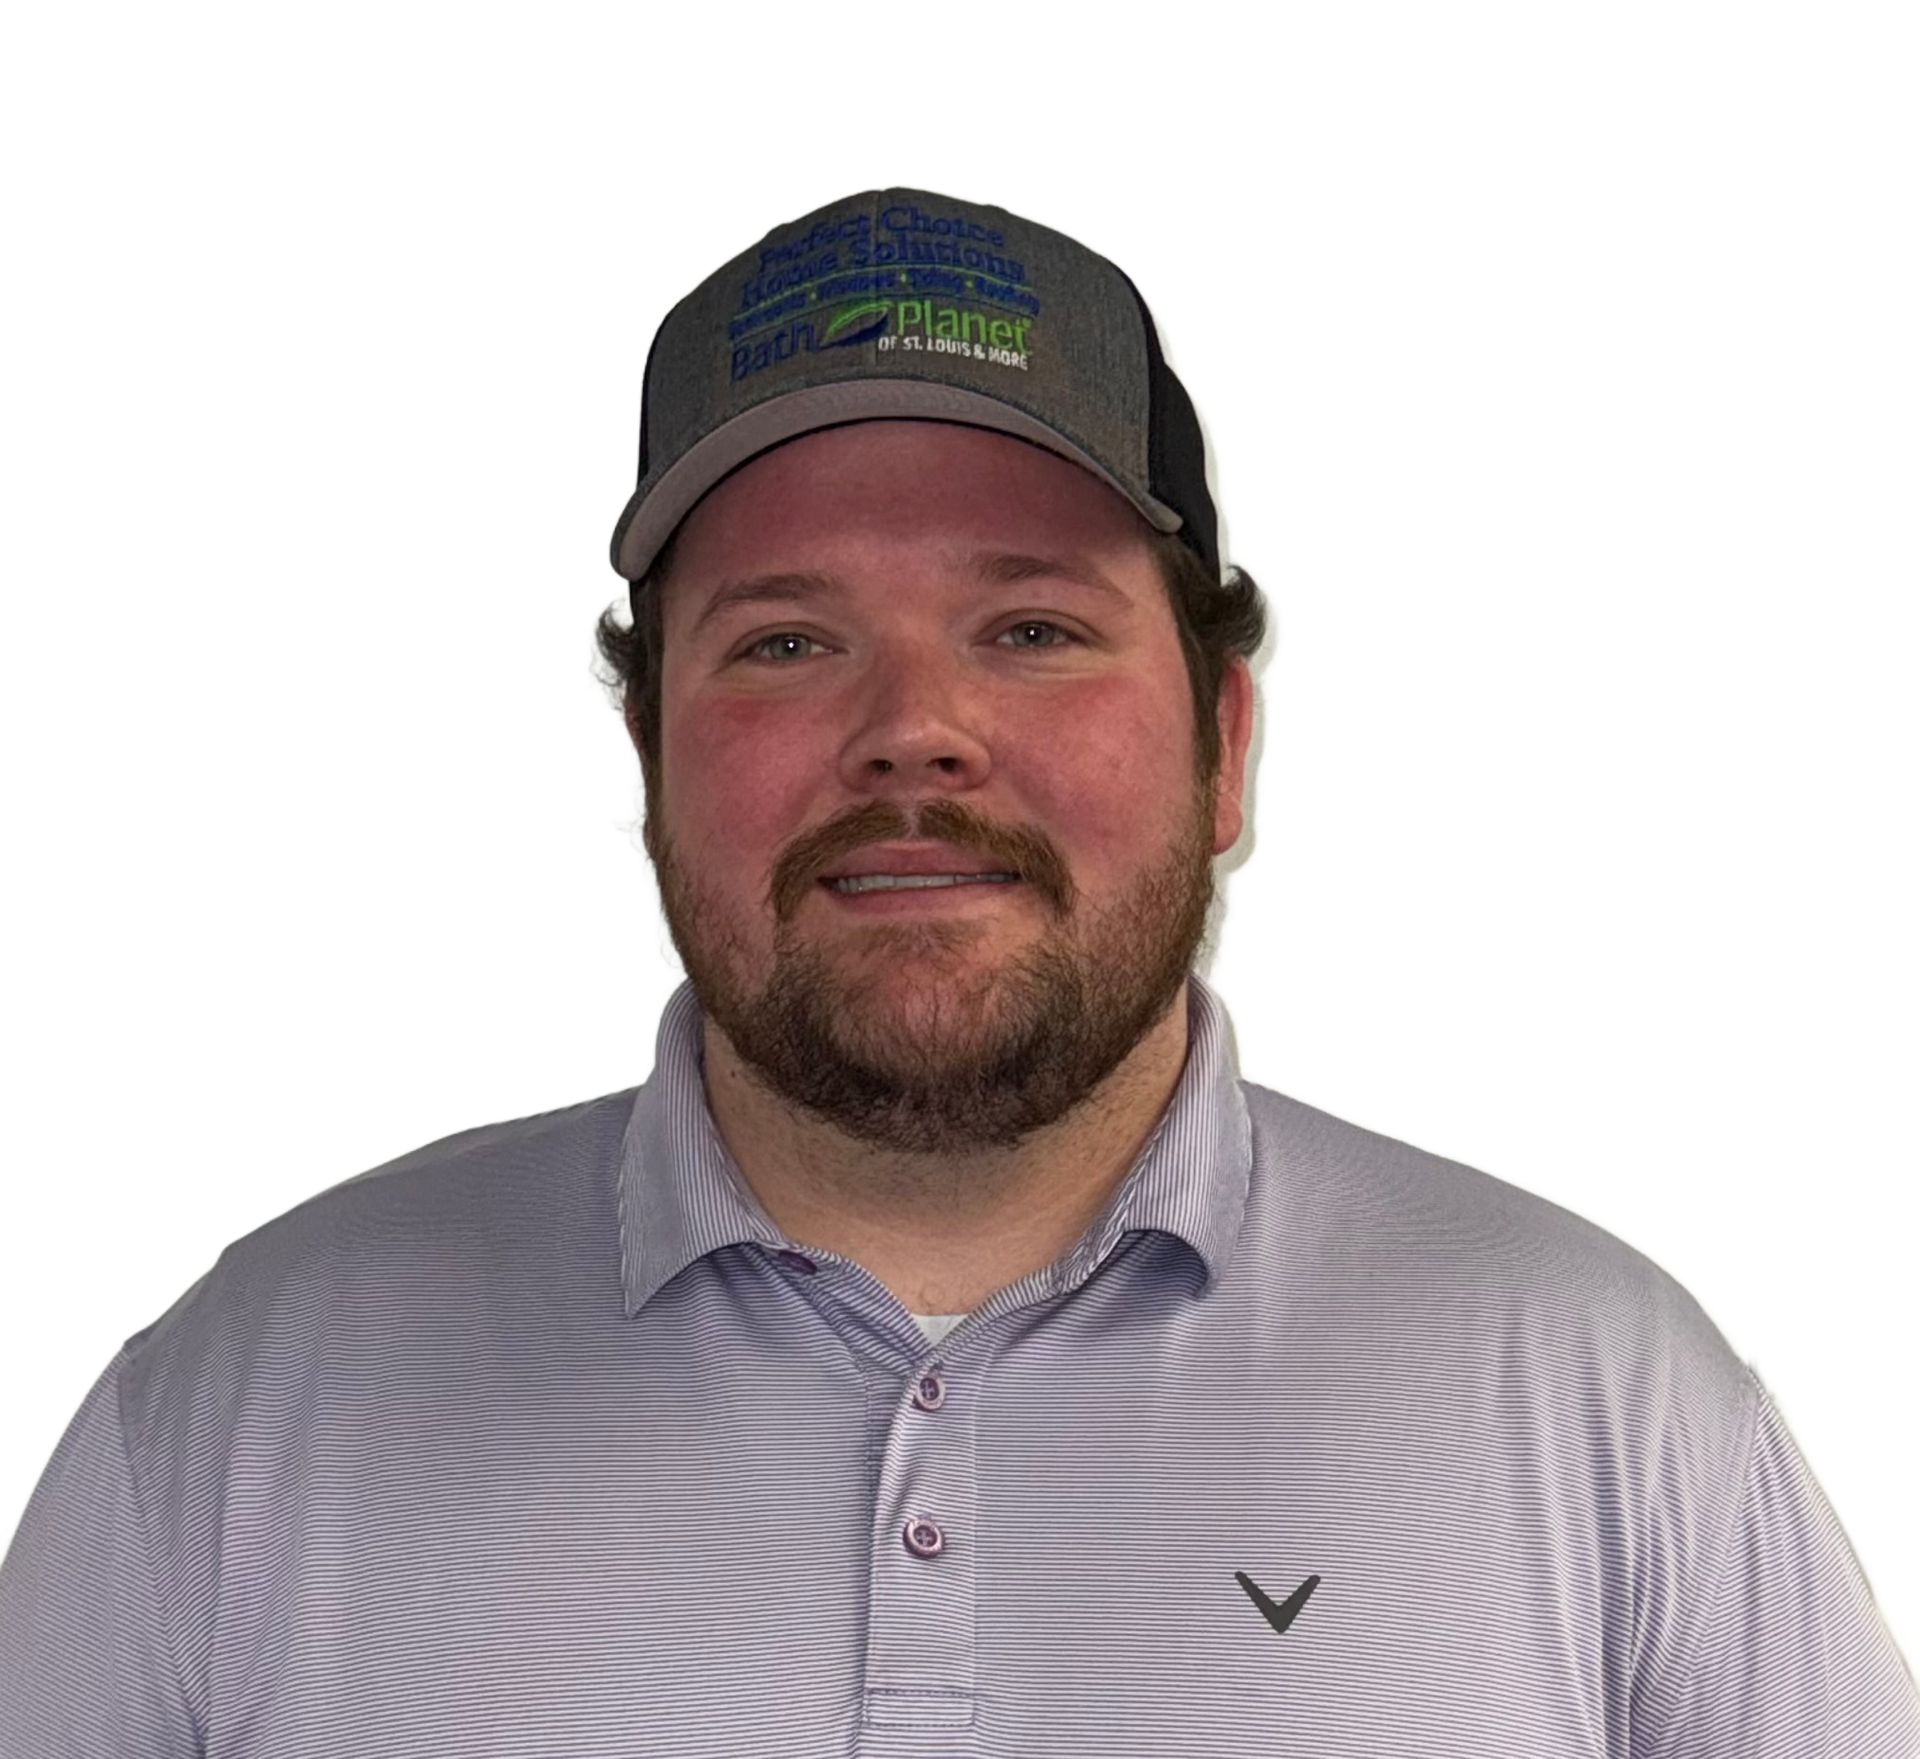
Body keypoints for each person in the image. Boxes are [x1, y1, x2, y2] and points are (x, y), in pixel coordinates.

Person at [1, 184, 1912, 1757]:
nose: (916, 736)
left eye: (1029, 623)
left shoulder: (1617, 1407)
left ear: (1229, 739)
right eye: (783, 643)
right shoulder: (238, 1412)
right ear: (645, 743)